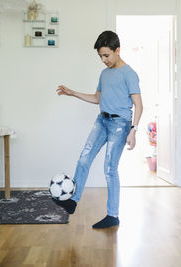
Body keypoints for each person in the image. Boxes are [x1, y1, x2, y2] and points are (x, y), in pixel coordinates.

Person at [55, 30, 143, 229]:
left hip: (120, 125)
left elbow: (139, 105)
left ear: (117, 50)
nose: (103, 60)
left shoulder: (129, 74)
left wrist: (133, 130)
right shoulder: (104, 73)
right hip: (102, 121)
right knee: (84, 157)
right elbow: (97, 99)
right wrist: (72, 93)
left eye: (106, 55)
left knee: (110, 169)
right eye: (100, 56)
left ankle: (113, 215)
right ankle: (72, 201)